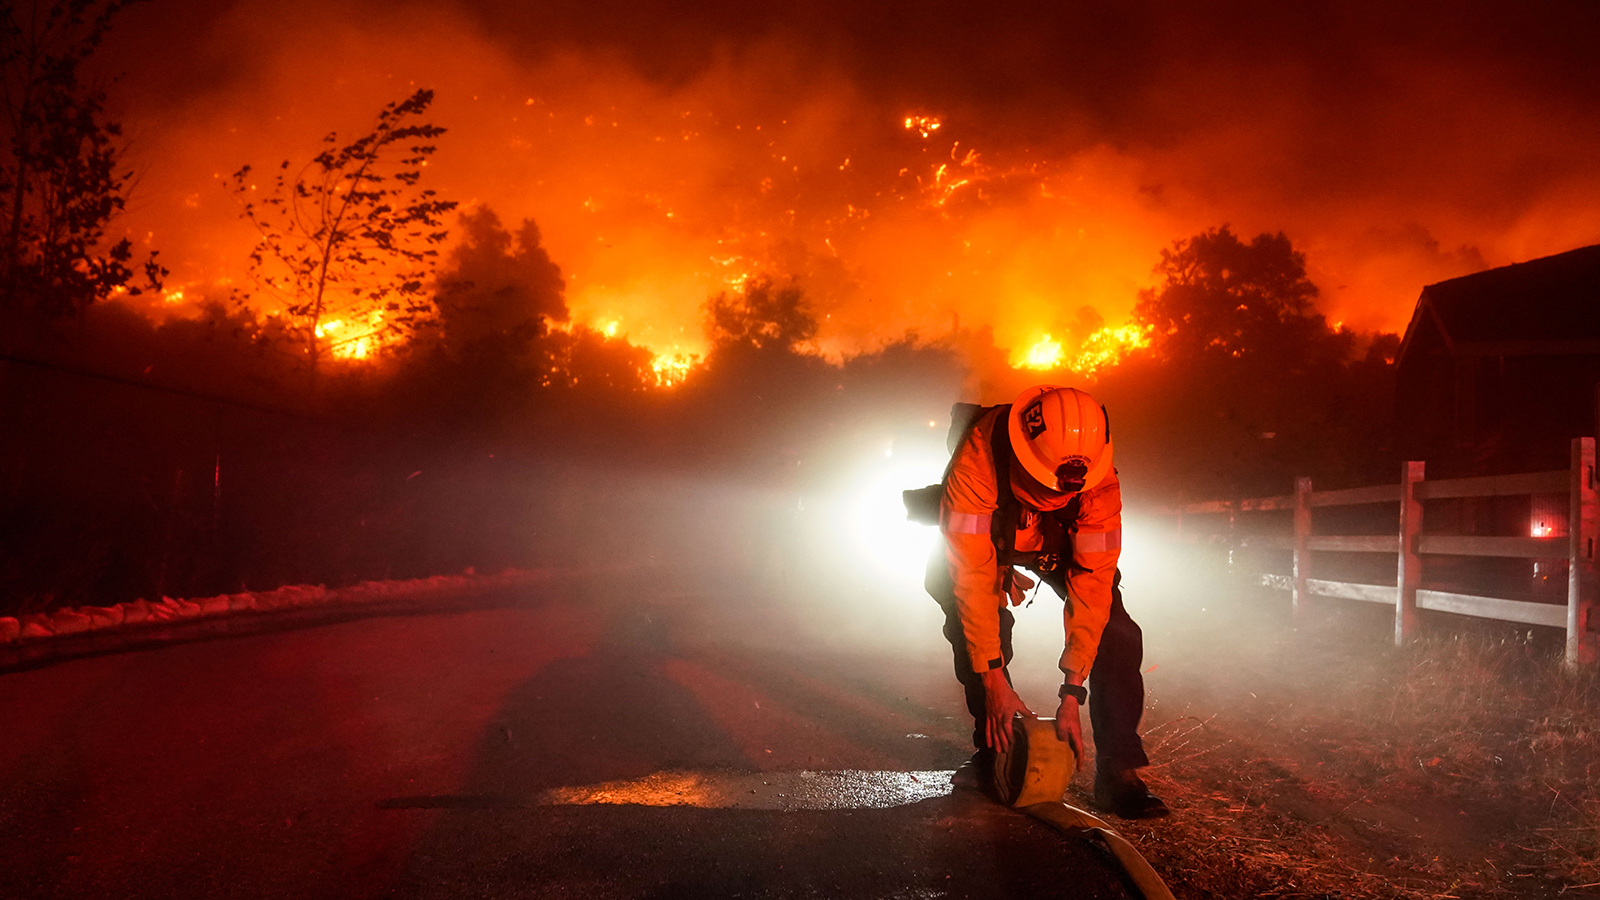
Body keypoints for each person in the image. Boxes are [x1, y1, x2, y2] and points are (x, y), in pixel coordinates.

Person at [924, 384, 1167, 818]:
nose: (1058, 496)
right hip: (988, 539)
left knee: (1117, 632)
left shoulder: (1096, 480)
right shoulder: (976, 463)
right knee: (975, 629)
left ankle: (1118, 771)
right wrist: (995, 680)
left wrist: (1073, 691)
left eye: (1066, 491)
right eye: (1046, 487)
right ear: (1020, 456)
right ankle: (994, 749)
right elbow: (972, 578)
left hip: (1056, 543)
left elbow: (1093, 584)